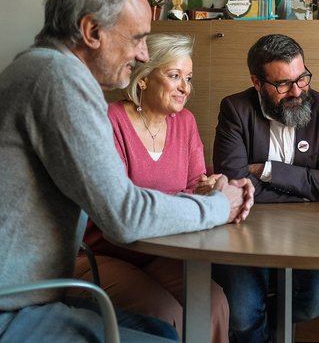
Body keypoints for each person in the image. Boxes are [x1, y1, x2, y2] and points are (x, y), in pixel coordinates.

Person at [0, 0, 253, 342]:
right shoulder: (59, 80)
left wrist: (211, 191)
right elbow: (125, 216)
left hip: (28, 299)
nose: (142, 54)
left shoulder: (38, 69)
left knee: (169, 324)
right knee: (163, 328)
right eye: (137, 38)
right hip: (15, 310)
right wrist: (220, 205)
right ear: (91, 32)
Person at [72, 33, 229, 341]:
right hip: (106, 252)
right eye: (174, 76)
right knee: (165, 314)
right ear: (143, 78)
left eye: (189, 78)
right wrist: (189, 201)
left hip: (163, 251)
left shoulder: (185, 122)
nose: (185, 87)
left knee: (214, 303)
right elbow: (119, 210)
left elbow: (193, 189)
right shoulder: (110, 120)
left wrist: (210, 189)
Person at [212, 33, 319, 342]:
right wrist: (302, 187)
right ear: (257, 82)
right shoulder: (235, 108)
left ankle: (266, 330)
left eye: (302, 78)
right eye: (283, 84)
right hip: (243, 230)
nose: (297, 90)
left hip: (309, 232)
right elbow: (234, 182)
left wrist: (266, 170)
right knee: (244, 314)